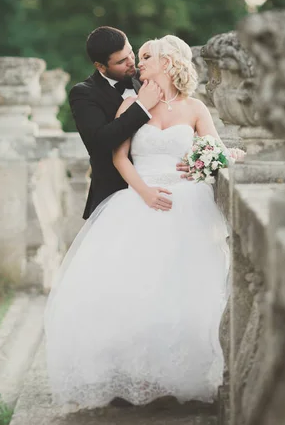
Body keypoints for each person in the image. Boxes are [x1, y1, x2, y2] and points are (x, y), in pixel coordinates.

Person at [45, 34, 231, 410]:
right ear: (102, 66)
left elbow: (215, 150)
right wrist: (145, 191)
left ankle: (181, 375)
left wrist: (208, 162)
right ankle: (132, 377)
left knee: (185, 290)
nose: (137, 63)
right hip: (137, 197)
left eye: (143, 56)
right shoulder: (125, 101)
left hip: (187, 202)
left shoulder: (195, 107)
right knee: (130, 288)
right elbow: (116, 155)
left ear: (168, 63)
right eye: (131, 58)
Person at [69, 26, 173, 219]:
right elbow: (99, 142)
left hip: (161, 190)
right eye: (121, 61)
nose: (132, 63)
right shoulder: (84, 93)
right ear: (100, 66)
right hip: (113, 197)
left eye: (131, 53)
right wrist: (141, 107)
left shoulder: (145, 78)